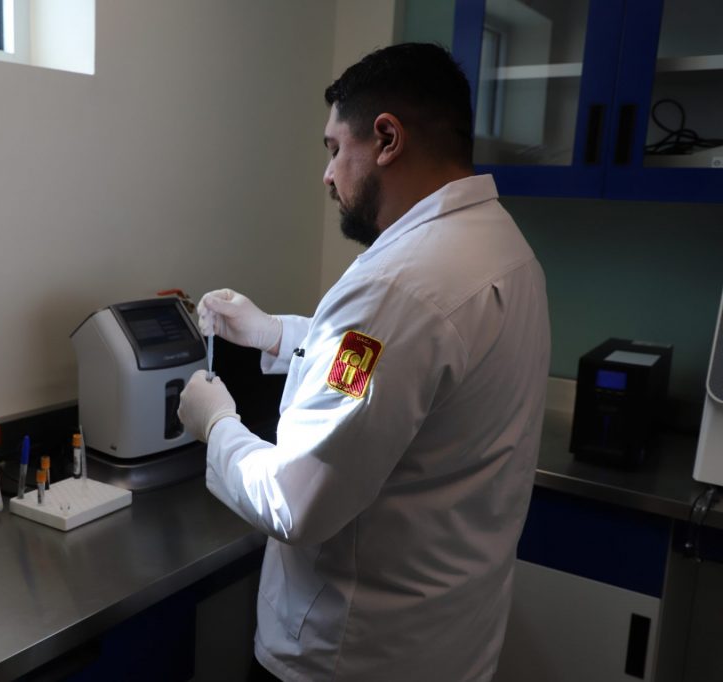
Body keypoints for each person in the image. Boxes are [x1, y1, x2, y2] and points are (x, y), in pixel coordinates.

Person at [177, 43, 551, 682]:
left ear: (386, 138)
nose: (327, 176)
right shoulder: (502, 247)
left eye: (333, 149)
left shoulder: (396, 286)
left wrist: (215, 425)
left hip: (350, 656)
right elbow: (398, 370)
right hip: (448, 646)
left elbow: (293, 502)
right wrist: (276, 335)